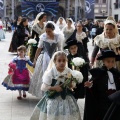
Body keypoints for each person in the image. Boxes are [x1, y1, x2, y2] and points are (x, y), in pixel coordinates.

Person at [30, 51, 81, 120]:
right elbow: (44, 87)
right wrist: (54, 88)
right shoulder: (50, 73)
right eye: (59, 61)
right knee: (53, 113)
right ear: (55, 61)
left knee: (68, 113)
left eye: (64, 61)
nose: (62, 63)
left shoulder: (68, 71)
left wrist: (71, 84)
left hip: (66, 96)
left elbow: (72, 85)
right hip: (53, 97)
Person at [28, 22, 63, 98]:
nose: (47, 33)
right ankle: (43, 93)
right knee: (43, 75)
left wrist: (60, 59)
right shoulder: (43, 37)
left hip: (54, 57)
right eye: (46, 31)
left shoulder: (57, 37)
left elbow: (59, 49)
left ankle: (53, 91)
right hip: (44, 57)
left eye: (49, 31)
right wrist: (35, 59)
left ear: (53, 30)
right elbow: (39, 49)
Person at [84, 50, 120, 120]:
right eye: (108, 61)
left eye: (113, 61)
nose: (111, 63)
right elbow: (94, 88)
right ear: (103, 61)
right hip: (103, 101)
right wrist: (90, 85)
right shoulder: (98, 72)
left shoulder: (116, 73)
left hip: (115, 101)